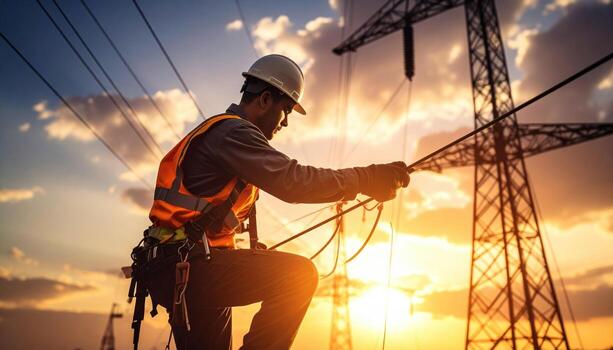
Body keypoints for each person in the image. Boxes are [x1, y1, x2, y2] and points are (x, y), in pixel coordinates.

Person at [138, 54, 409, 350]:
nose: (286, 122)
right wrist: (365, 179)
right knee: (299, 276)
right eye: (286, 110)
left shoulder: (225, 134)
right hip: (190, 266)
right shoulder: (234, 133)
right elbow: (293, 182)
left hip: (182, 266)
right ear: (266, 100)